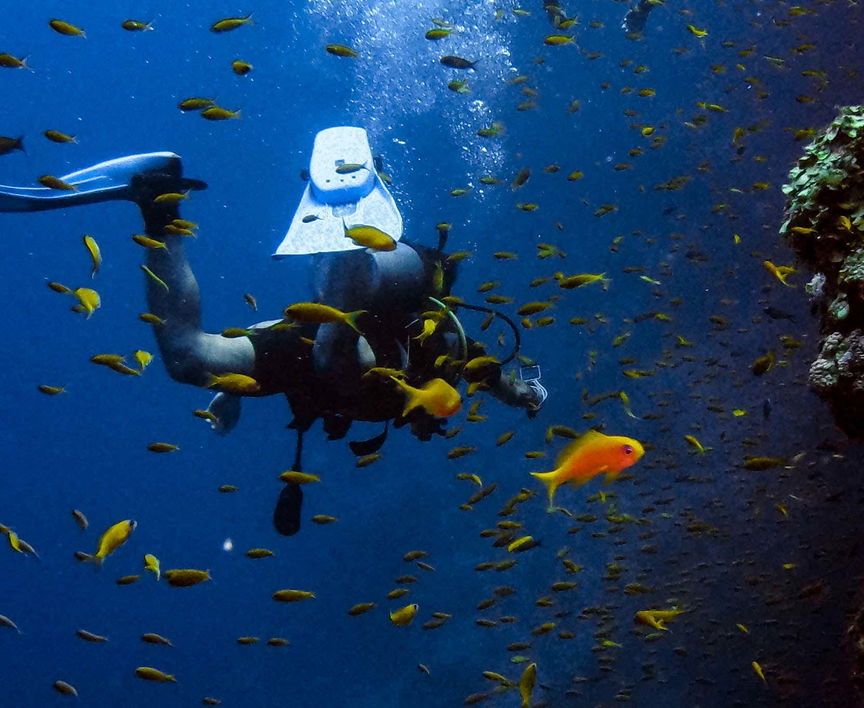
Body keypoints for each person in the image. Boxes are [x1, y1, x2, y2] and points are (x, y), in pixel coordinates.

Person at [0, 127, 546, 534]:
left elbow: (286, 332)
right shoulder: (448, 353)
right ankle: (353, 231)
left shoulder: (439, 362)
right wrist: (522, 393)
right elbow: (488, 373)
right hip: (355, 346)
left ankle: (159, 203)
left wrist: (226, 384)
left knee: (188, 359)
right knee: (335, 347)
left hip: (326, 348)